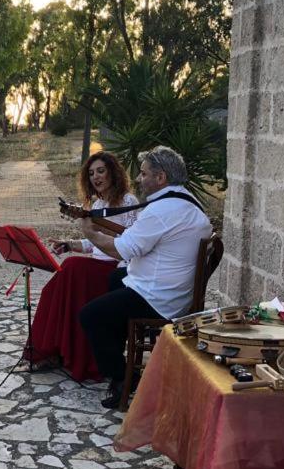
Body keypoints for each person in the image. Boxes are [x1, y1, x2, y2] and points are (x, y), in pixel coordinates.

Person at [78, 146, 212, 408]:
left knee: (90, 315)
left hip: (159, 297)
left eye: (143, 173)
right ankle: (121, 364)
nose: (139, 179)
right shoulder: (187, 202)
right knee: (116, 278)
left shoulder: (162, 211)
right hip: (174, 288)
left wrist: (91, 233)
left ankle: (125, 377)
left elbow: (122, 248)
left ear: (160, 177)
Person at [26, 152, 139, 381]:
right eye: (91, 173)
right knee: (53, 287)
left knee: (71, 267)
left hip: (118, 269)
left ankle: (67, 352)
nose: (96, 177)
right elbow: (93, 243)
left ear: (113, 172)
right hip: (95, 266)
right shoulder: (97, 204)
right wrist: (69, 245)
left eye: (100, 171)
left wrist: (104, 233)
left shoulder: (129, 202)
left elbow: (136, 240)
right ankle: (51, 350)